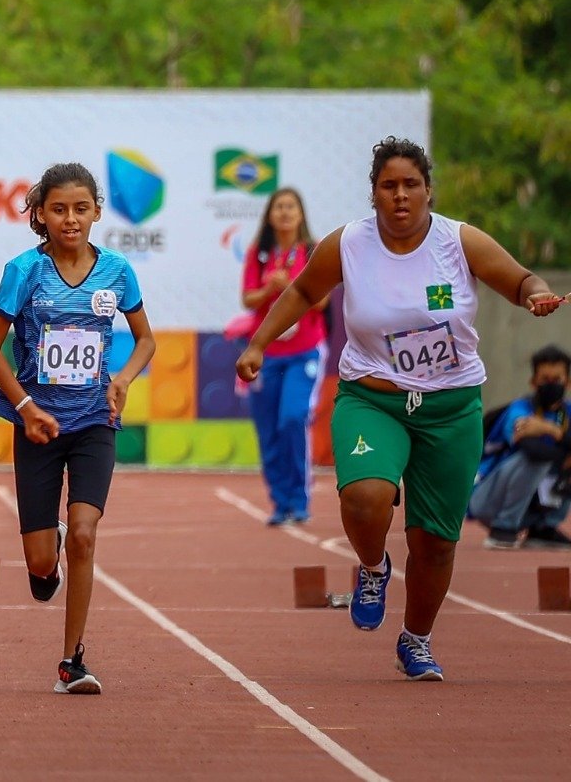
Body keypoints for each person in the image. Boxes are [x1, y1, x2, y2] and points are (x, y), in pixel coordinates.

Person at [237, 137, 562, 682]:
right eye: (389, 186)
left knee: (434, 542)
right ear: (374, 194)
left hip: (450, 407)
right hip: (373, 398)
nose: (401, 195)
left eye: (411, 184)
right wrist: (258, 344)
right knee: (366, 497)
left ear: (429, 191)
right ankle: (372, 567)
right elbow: (299, 292)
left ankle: (416, 640)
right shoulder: (349, 244)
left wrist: (537, 294)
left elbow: (521, 280)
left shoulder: (459, 242)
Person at [0, 162, 156, 695]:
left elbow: (145, 340)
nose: (70, 219)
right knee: (40, 565)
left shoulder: (118, 271)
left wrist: (122, 379)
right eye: (59, 209)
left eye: (81, 209)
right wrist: (27, 406)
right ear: (41, 214)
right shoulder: (23, 271)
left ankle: (72, 660)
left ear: (97, 212)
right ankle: (43, 552)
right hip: (38, 428)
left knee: (84, 534)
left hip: (95, 424)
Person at [238, 187, 328, 526]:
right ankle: (279, 502)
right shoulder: (259, 253)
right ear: (270, 214)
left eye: (291, 207)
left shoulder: (313, 251)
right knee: (268, 428)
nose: (285, 212)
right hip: (266, 354)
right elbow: (248, 299)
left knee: (293, 418)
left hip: (304, 349)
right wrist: (269, 288)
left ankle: (299, 498)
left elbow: (320, 302)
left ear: (301, 214)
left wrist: (290, 282)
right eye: (279, 207)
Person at [469, 345, 571, 549]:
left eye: (557, 379)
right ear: (533, 382)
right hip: (487, 498)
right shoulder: (520, 409)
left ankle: (542, 528)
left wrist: (551, 430)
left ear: (567, 382)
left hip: (531, 502)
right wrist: (565, 447)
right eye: (545, 380)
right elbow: (531, 448)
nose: (551, 385)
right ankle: (503, 528)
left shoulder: (567, 412)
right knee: (536, 458)